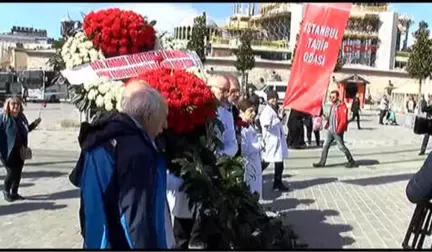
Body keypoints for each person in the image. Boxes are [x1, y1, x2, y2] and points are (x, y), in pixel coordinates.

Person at [69, 86, 173, 248]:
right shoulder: (136, 150)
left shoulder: (102, 137)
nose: (165, 125)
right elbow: (137, 215)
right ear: (148, 117)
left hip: (97, 236)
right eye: (163, 118)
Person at [169, 75, 237, 249]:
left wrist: (216, 156)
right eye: (222, 90)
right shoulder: (192, 110)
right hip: (188, 178)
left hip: (213, 176)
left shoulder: (226, 114)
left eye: (227, 91)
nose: (225, 95)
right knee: (182, 231)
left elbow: (233, 145)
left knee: (208, 231)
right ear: (209, 87)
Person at [0, 97, 41, 202]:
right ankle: (6, 191)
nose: (16, 106)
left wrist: (35, 124)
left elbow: (26, 129)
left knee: (18, 172)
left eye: (17, 104)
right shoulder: (3, 118)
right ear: (8, 105)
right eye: (13, 104)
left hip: (20, 150)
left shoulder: (21, 117)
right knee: (11, 172)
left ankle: (14, 192)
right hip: (7, 150)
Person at [313, 91, 356, 168]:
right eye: (330, 97)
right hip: (330, 129)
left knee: (341, 147)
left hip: (337, 130)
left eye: (333, 97)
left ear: (337, 97)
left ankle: (351, 161)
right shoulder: (332, 106)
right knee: (325, 146)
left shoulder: (342, 106)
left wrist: (339, 130)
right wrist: (327, 118)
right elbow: (332, 117)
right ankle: (322, 162)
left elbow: (343, 120)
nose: (331, 98)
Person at [259, 90, 289, 191]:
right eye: (272, 98)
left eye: (275, 98)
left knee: (279, 163)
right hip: (271, 141)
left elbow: (281, 124)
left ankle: (277, 183)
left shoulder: (275, 110)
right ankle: (254, 174)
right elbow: (267, 125)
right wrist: (278, 118)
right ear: (268, 100)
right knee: (266, 161)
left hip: (278, 140)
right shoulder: (266, 111)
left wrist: (283, 116)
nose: (274, 100)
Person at [238, 98, 262, 199]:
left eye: (254, 111)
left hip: (254, 164)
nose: (253, 113)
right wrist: (259, 146)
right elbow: (244, 149)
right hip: (248, 166)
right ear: (241, 112)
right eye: (250, 111)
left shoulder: (249, 125)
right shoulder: (241, 127)